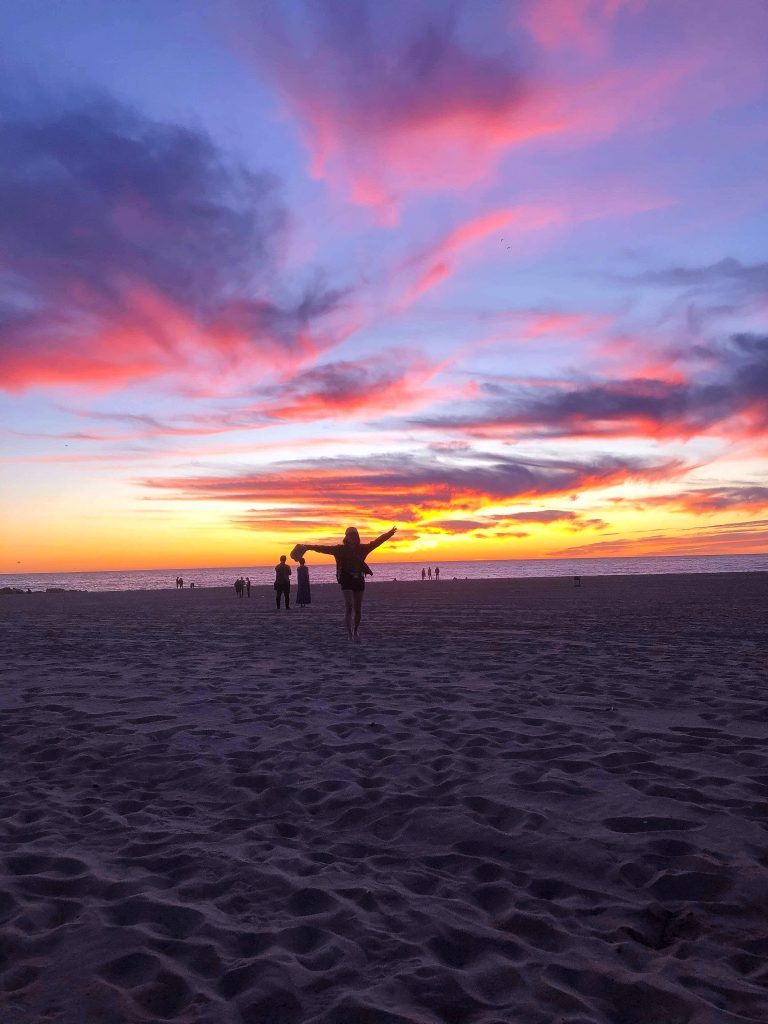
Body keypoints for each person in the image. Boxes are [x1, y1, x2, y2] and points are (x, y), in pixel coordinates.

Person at [291, 525, 396, 640]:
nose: (352, 537)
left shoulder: (363, 548)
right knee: (349, 607)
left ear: (357, 536)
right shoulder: (339, 549)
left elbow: (377, 542)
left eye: (354, 535)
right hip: (346, 579)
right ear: (346, 537)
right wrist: (307, 547)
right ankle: (350, 634)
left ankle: (355, 630)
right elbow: (322, 548)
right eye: (350, 535)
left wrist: (389, 533)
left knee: (358, 609)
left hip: (359, 580)